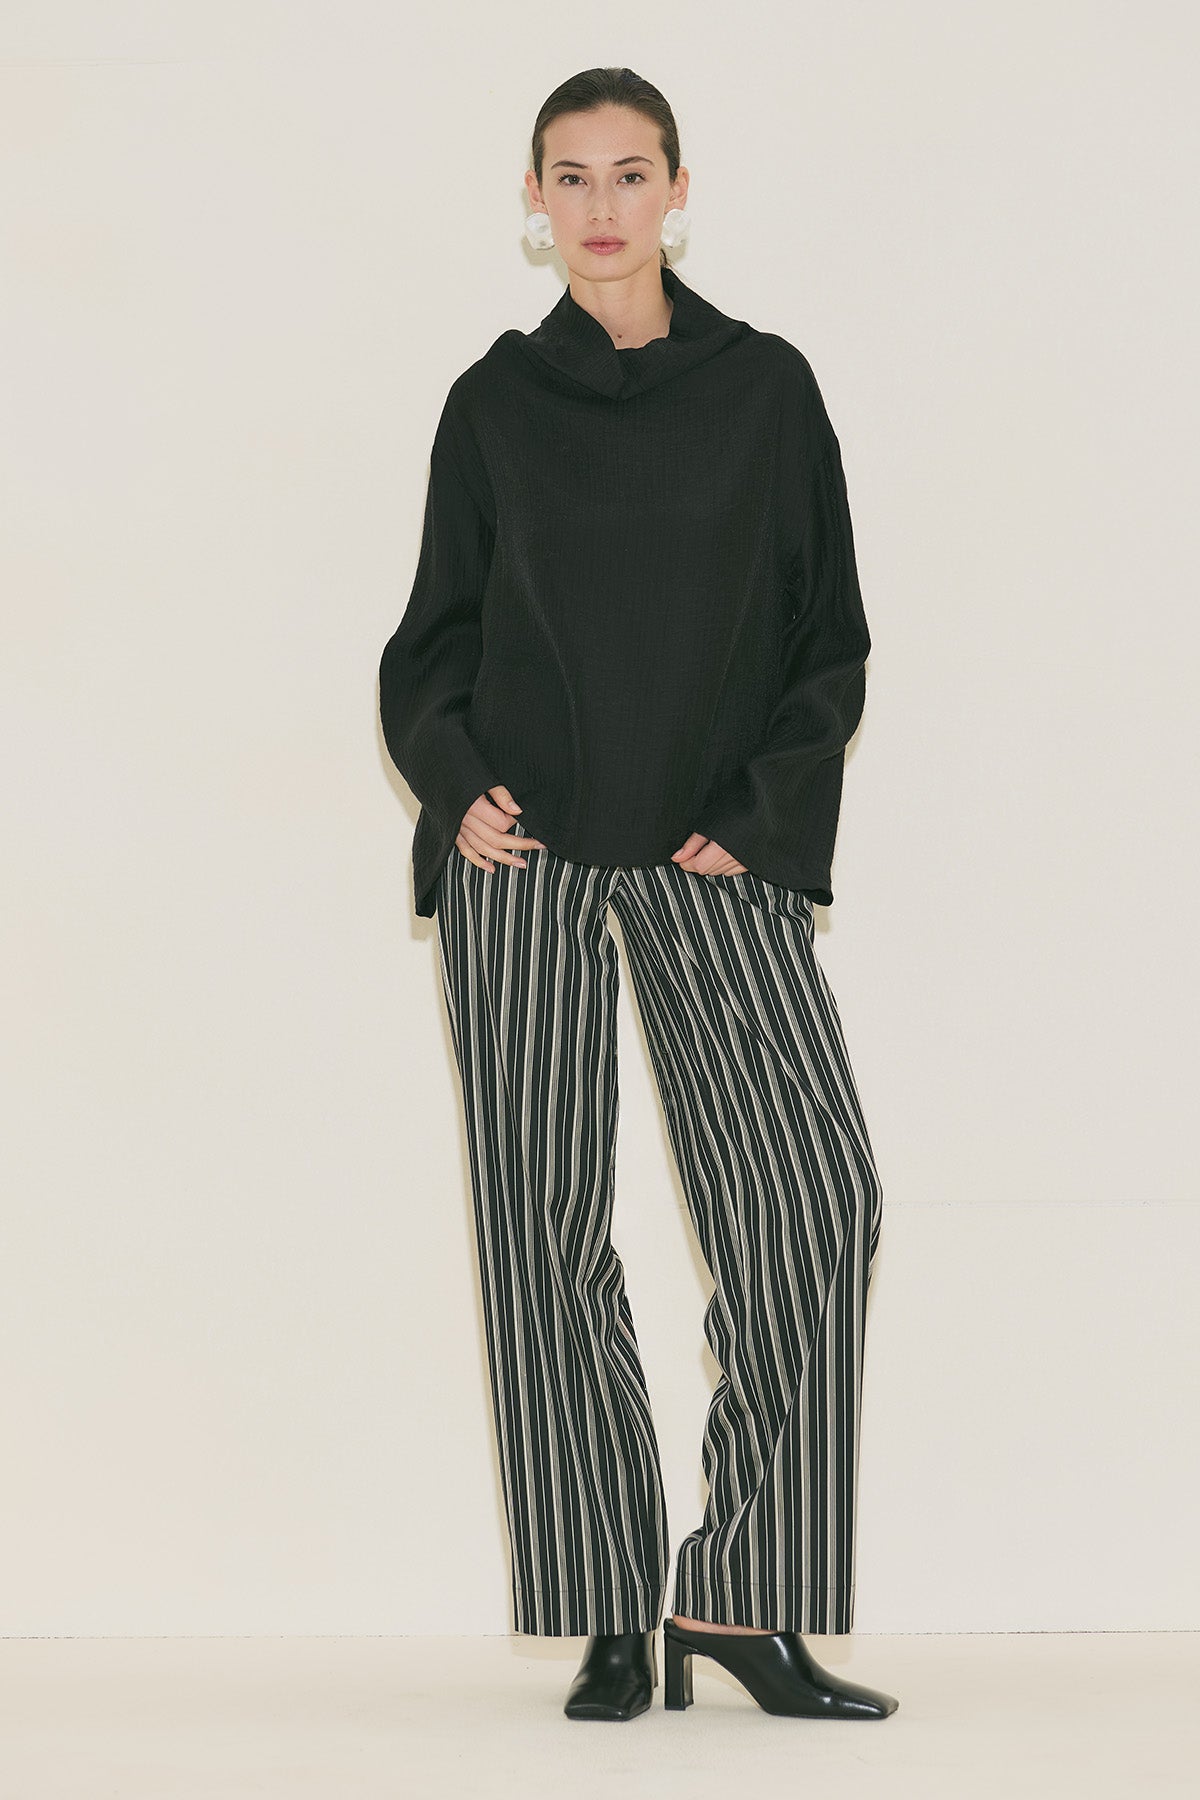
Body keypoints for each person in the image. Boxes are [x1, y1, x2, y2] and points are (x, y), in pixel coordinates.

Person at [378, 65, 898, 1725]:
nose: (601, 205)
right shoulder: (492, 404)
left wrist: (759, 817)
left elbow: (828, 638)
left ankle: (736, 1596)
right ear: (535, 204)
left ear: (680, 188)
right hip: (524, 856)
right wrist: (455, 784)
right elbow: (431, 642)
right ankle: (609, 1602)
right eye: (571, 176)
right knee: (544, 1229)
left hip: (710, 852)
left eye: (629, 172)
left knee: (816, 1206)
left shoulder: (764, 391)